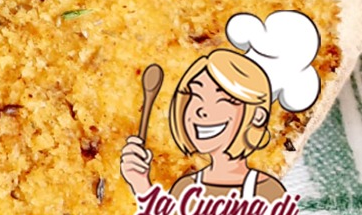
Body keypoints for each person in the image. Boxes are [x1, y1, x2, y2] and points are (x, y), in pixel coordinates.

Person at [120, 47, 284, 204]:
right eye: (196, 95)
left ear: (257, 116)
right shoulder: (185, 187)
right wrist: (140, 183)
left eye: (223, 99)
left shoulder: (266, 190)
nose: (201, 110)